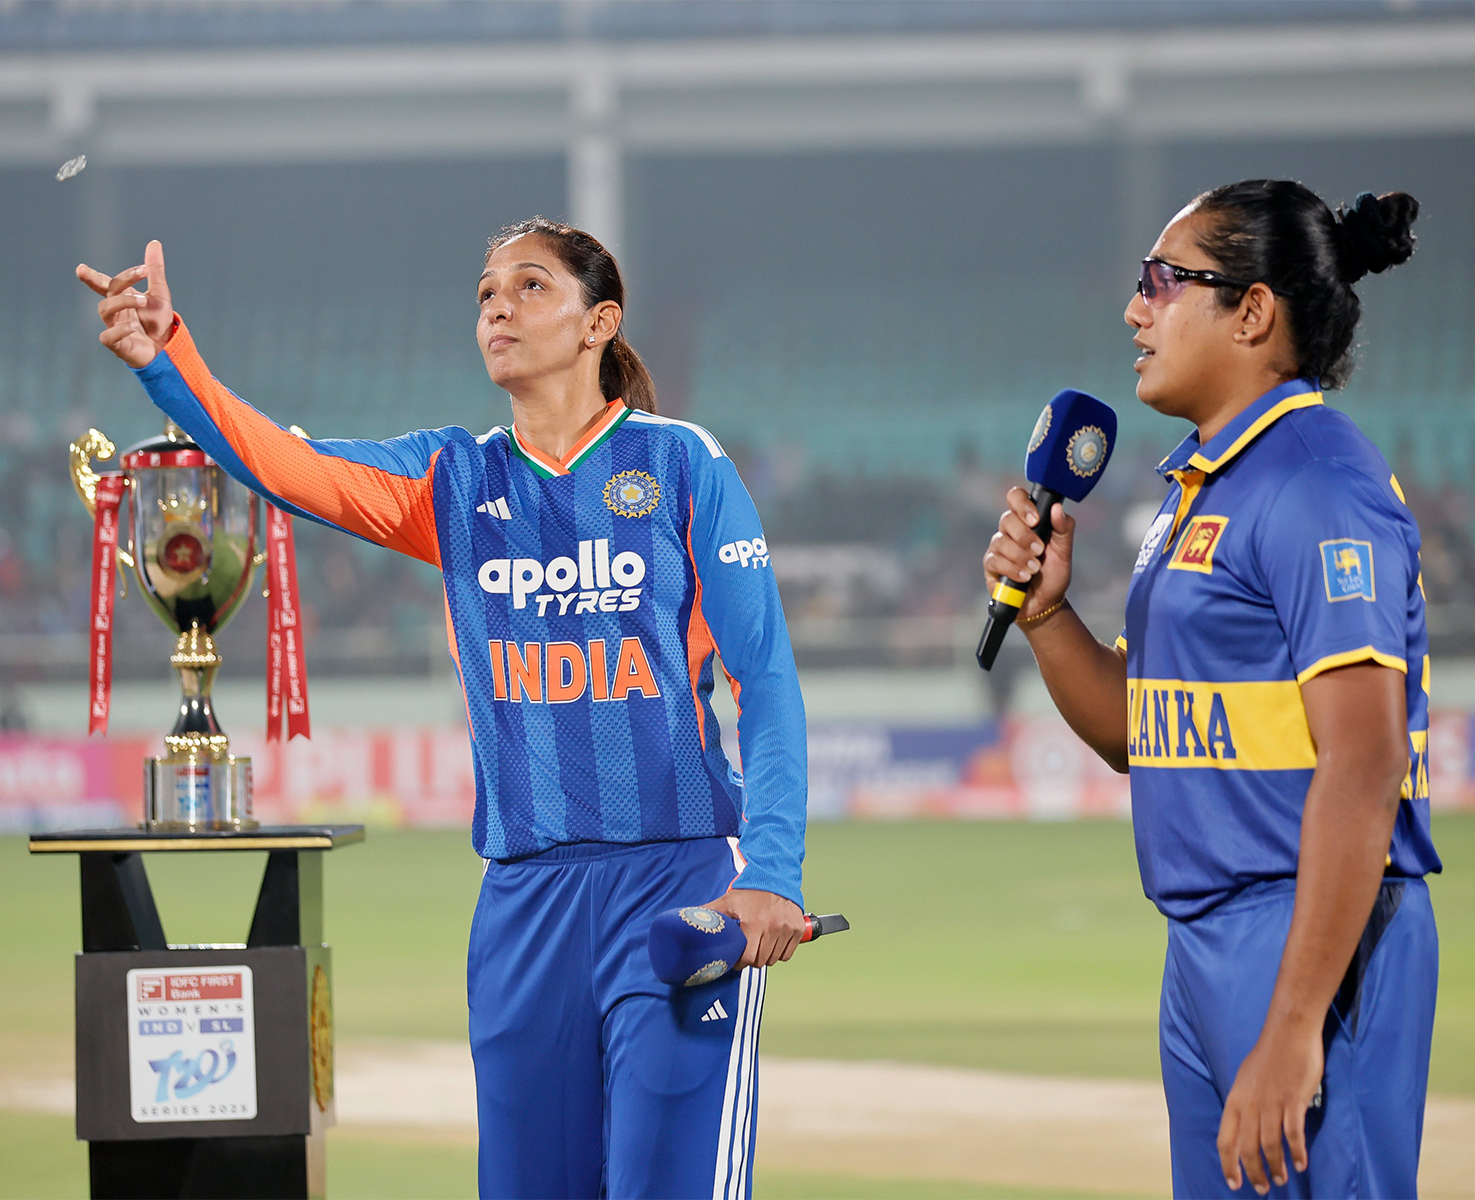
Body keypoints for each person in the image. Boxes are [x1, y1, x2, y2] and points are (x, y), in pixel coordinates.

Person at [78, 218, 809, 1200]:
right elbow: (289, 468)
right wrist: (169, 357)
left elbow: (762, 680)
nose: (497, 305)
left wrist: (771, 870)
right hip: (521, 908)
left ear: (601, 322)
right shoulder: (451, 479)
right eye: (484, 293)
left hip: (673, 887)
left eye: (529, 286)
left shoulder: (683, 465)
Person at [982, 181, 1438, 1199]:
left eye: (1161, 281)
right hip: (1205, 943)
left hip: (1311, 938)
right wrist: (1047, 617)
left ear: (1251, 311)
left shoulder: (1317, 482)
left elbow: (1362, 765)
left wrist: (1290, 1025)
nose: (1135, 310)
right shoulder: (1203, 486)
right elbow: (1143, 736)